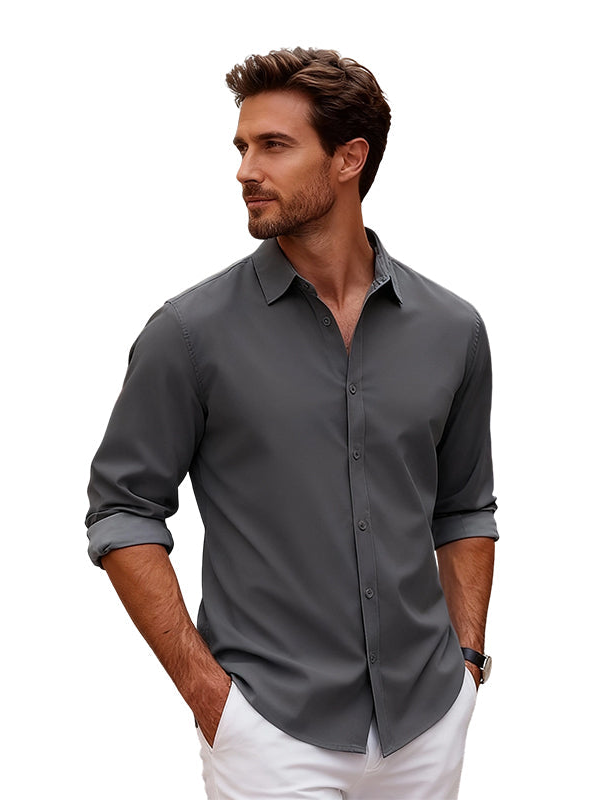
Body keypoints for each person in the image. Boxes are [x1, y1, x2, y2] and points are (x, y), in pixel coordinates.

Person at [86, 46, 497, 800]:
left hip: (427, 721)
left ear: (349, 159)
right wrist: (209, 695)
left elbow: (465, 507)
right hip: (270, 733)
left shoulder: (453, 329)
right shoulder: (189, 335)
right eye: (242, 147)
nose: (246, 170)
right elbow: (123, 511)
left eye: (273, 145)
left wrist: (467, 663)